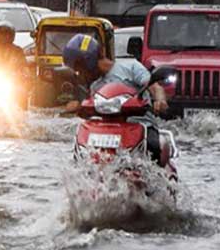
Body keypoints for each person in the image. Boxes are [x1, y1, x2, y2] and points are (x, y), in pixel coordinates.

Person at [63, 34, 168, 164]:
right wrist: (79, 108)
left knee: (154, 146)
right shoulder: (95, 86)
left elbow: (155, 87)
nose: (79, 74)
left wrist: (160, 101)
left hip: (141, 125)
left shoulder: (130, 66)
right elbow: (95, 112)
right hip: (108, 130)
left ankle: (157, 178)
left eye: (79, 69)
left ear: (87, 62)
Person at [0, 21, 28, 107]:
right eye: (1, 35)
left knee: (22, 92)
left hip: (13, 81)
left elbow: (24, 66)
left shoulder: (17, 50)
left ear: (12, 36)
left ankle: (22, 111)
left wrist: (23, 74)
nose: (3, 37)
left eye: (6, 35)